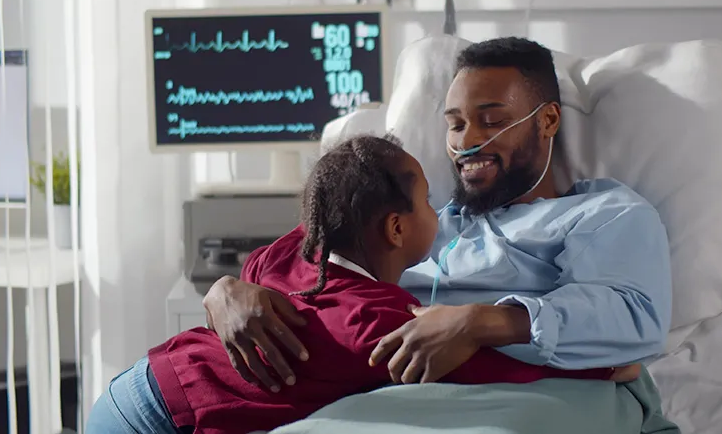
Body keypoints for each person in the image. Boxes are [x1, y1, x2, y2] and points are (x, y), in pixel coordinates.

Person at [204, 37, 672, 392]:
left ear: (547, 120)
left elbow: (632, 316)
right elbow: (306, 256)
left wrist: (478, 322)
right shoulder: (416, 217)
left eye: (490, 121)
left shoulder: (601, 214)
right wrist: (227, 291)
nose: (467, 141)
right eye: (455, 123)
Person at [86, 135, 631, 434]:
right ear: (396, 228)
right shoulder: (376, 324)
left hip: (132, 386)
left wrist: (230, 285)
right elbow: (502, 365)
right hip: (159, 421)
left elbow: (254, 268)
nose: (436, 209)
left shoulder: (296, 251)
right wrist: (612, 365)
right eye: (423, 203)